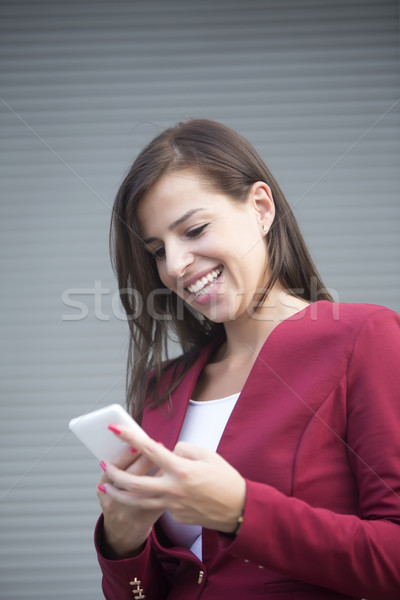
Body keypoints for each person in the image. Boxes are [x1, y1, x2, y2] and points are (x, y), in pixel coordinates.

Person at [94, 119, 400, 599]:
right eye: (157, 251)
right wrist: (122, 540)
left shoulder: (364, 338)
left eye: (193, 229)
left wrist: (240, 510)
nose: (174, 266)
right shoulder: (163, 389)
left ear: (260, 208)